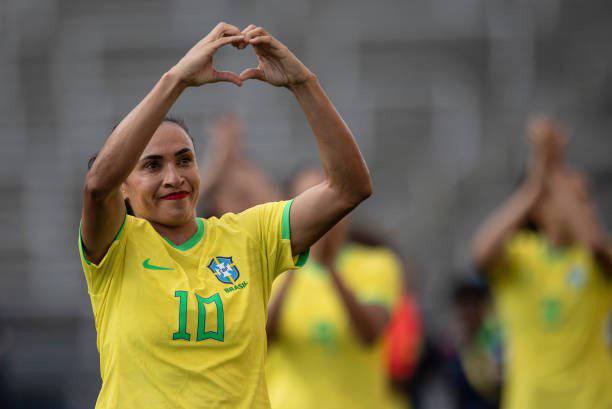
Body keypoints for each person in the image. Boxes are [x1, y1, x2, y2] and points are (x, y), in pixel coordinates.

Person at [78, 23, 372, 409]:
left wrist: (303, 83)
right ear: (125, 187)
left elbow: (349, 188)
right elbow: (97, 185)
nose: (174, 177)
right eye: (152, 166)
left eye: (185, 160)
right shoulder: (115, 248)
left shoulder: (249, 236)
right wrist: (177, 79)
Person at [471, 117, 612, 409]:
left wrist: (553, 166)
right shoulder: (521, 255)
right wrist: (538, 179)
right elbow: (480, 253)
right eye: (575, 199)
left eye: (585, 201)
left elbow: (596, 245)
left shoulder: (594, 259)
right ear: (539, 209)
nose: (584, 209)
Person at [265, 167, 400, 409]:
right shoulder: (271, 270)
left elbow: (369, 334)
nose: (322, 214)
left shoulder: (377, 263)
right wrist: (295, 258)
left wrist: (329, 269)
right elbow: (261, 338)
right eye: (310, 203)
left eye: (330, 200)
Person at [198, 114, 280, 217]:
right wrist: (218, 159)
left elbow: (271, 203)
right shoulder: (212, 173)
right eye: (224, 136)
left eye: (234, 137)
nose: (229, 142)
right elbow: (196, 196)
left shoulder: (250, 172)